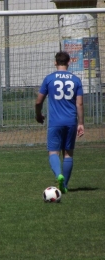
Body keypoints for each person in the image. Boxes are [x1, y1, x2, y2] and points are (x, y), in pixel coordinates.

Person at [35, 51, 84, 194]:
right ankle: (65, 185)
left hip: (55, 122)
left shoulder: (49, 79)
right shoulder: (76, 80)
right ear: (69, 62)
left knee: (53, 152)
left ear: (55, 62)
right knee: (68, 154)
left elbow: (39, 101)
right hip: (71, 121)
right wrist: (81, 123)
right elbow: (79, 104)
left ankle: (58, 176)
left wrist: (38, 114)